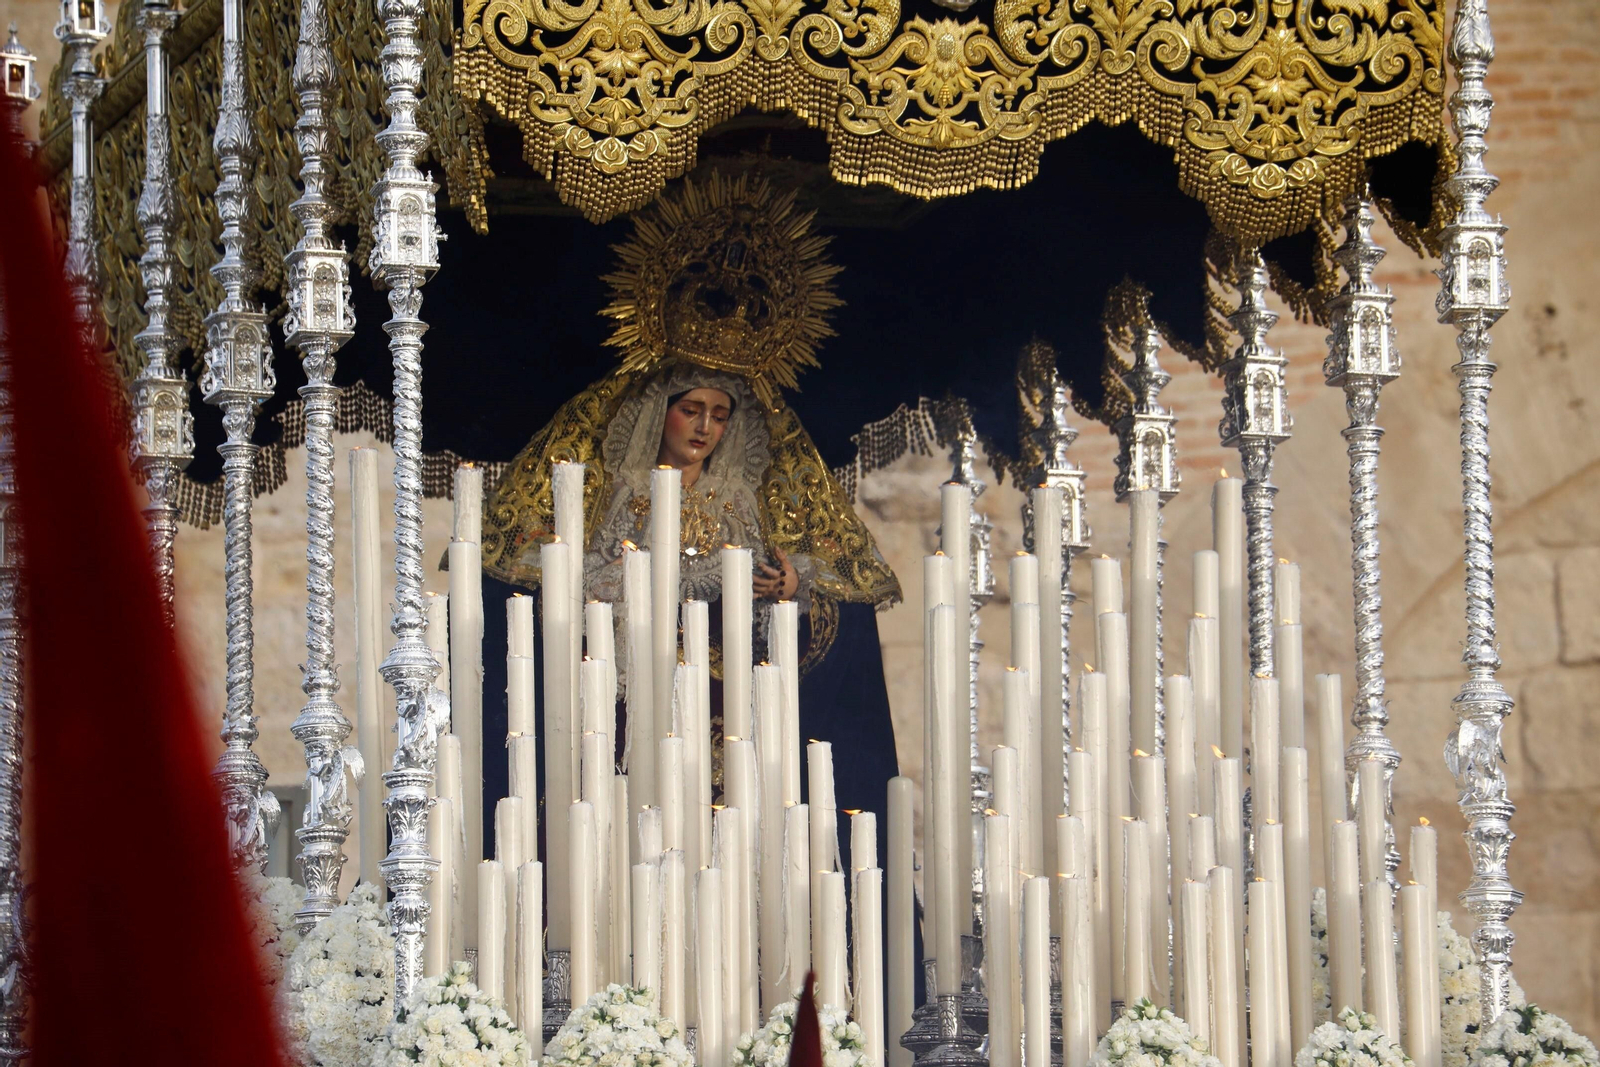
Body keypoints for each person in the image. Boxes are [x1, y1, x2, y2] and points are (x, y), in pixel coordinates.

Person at [475, 173, 902, 874]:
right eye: (691, 409)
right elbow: (556, 579)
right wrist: (619, 582)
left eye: (719, 414)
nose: (704, 427)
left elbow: (818, 589)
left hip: (729, 708)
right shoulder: (618, 494)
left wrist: (792, 583)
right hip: (626, 698)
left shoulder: (746, 500)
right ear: (661, 410)